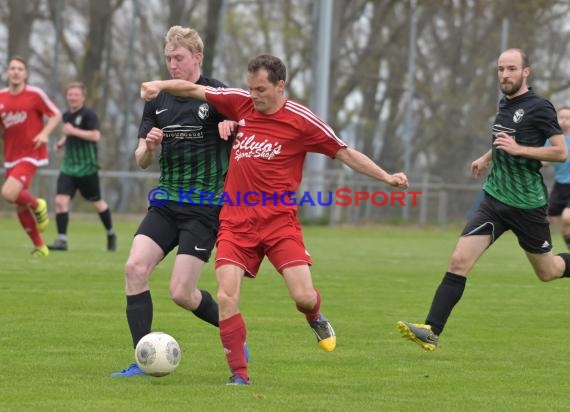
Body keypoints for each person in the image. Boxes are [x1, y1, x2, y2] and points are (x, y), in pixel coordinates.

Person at [140, 53, 409, 385]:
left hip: (279, 223)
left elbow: (345, 153)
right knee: (226, 296)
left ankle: (315, 315)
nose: (254, 95)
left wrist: (387, 178)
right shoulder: (241, 104)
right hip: (236, 220)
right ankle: (239, 375)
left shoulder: (301, 120)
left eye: (261, 89)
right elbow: (191, 89)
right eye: (251, 88)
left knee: (303, 296)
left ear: (280, 85)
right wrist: (158, 84)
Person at [397, 48, 570, 351]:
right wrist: (487, 156)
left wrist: (520, 150)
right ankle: (431, 330)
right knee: (459, 260)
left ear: (525, 72)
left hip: (526, 204)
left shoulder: (541, 107)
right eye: (501, 69)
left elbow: (559, 151)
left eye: (512, 69)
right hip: (493, 200)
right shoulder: (505, 104)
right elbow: (504, 138)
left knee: (549, 271)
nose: (505, 75)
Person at [111, 26, 233, 377]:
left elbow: (243, 124)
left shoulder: (216, 92)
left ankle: (233, 331)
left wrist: (232, 127)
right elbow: (141, 160)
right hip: (166, 202)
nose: (172, 64)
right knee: (134, 268)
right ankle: (142, 357)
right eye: (167, 58)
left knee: (182, 293)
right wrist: (148, 147)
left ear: (197, 57)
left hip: (204, 206)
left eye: (178, 58)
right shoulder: (156, 100)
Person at [0, 56, 61, 257]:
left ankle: (38, 204)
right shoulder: (1, 97)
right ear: (8, 72)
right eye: (12, 68)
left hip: (30, 154)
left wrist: (44, 134)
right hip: (10, 156)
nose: (16, 72)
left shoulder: (35, 94)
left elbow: (55, 114)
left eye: (20, 68)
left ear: (25, 73)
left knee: (9, 193)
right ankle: (41, 247)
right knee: (18, 203)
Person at [47, 82, 116, 252]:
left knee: (97, 203)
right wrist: (62, 142)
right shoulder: (66, 116)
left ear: (83, 97)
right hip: (68, 167)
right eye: (70, 94)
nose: (72, 97)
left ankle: (110, 233)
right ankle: (62, 240)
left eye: (76, 94)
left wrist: (73, 132)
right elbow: (69, 133)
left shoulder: (89, 114)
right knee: (60, 201)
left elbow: (95, 136)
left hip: (87, 168)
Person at [546, 107, 570, 250]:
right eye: (562, 117)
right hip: (559, 186)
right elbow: (544, 161)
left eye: (568, 118)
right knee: (545, 220)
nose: (565, 120)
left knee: (567, 218)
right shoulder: (551, 141)